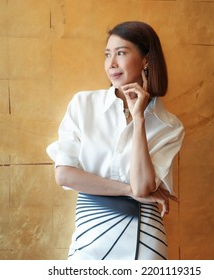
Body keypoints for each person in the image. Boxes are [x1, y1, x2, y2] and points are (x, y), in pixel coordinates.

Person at [46, 21, 184, 260]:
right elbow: (65, 175)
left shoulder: (169, 125)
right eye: (107, 54)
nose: (111, 64)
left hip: (145, 240)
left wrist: (139, 118)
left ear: (146, 60)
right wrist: (129, 191)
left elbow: (143, 187)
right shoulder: (83, 104)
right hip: (89, 235)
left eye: (121, 53)